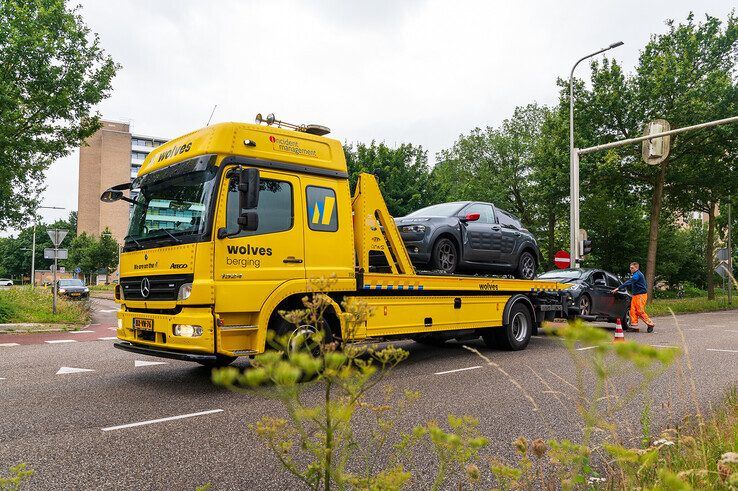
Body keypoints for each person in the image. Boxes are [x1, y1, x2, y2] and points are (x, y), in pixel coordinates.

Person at [612, 262, 654, 333]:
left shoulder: (637, 275)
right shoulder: (636, 274)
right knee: (632, 311)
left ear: (636, 268)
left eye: (632, 268)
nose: (630, 269)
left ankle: (650, 324)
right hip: (635, 295)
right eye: (630, 268)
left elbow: (630, 281)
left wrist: (618, 288)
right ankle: (634, 327)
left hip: (641, 295)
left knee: (640, 311)